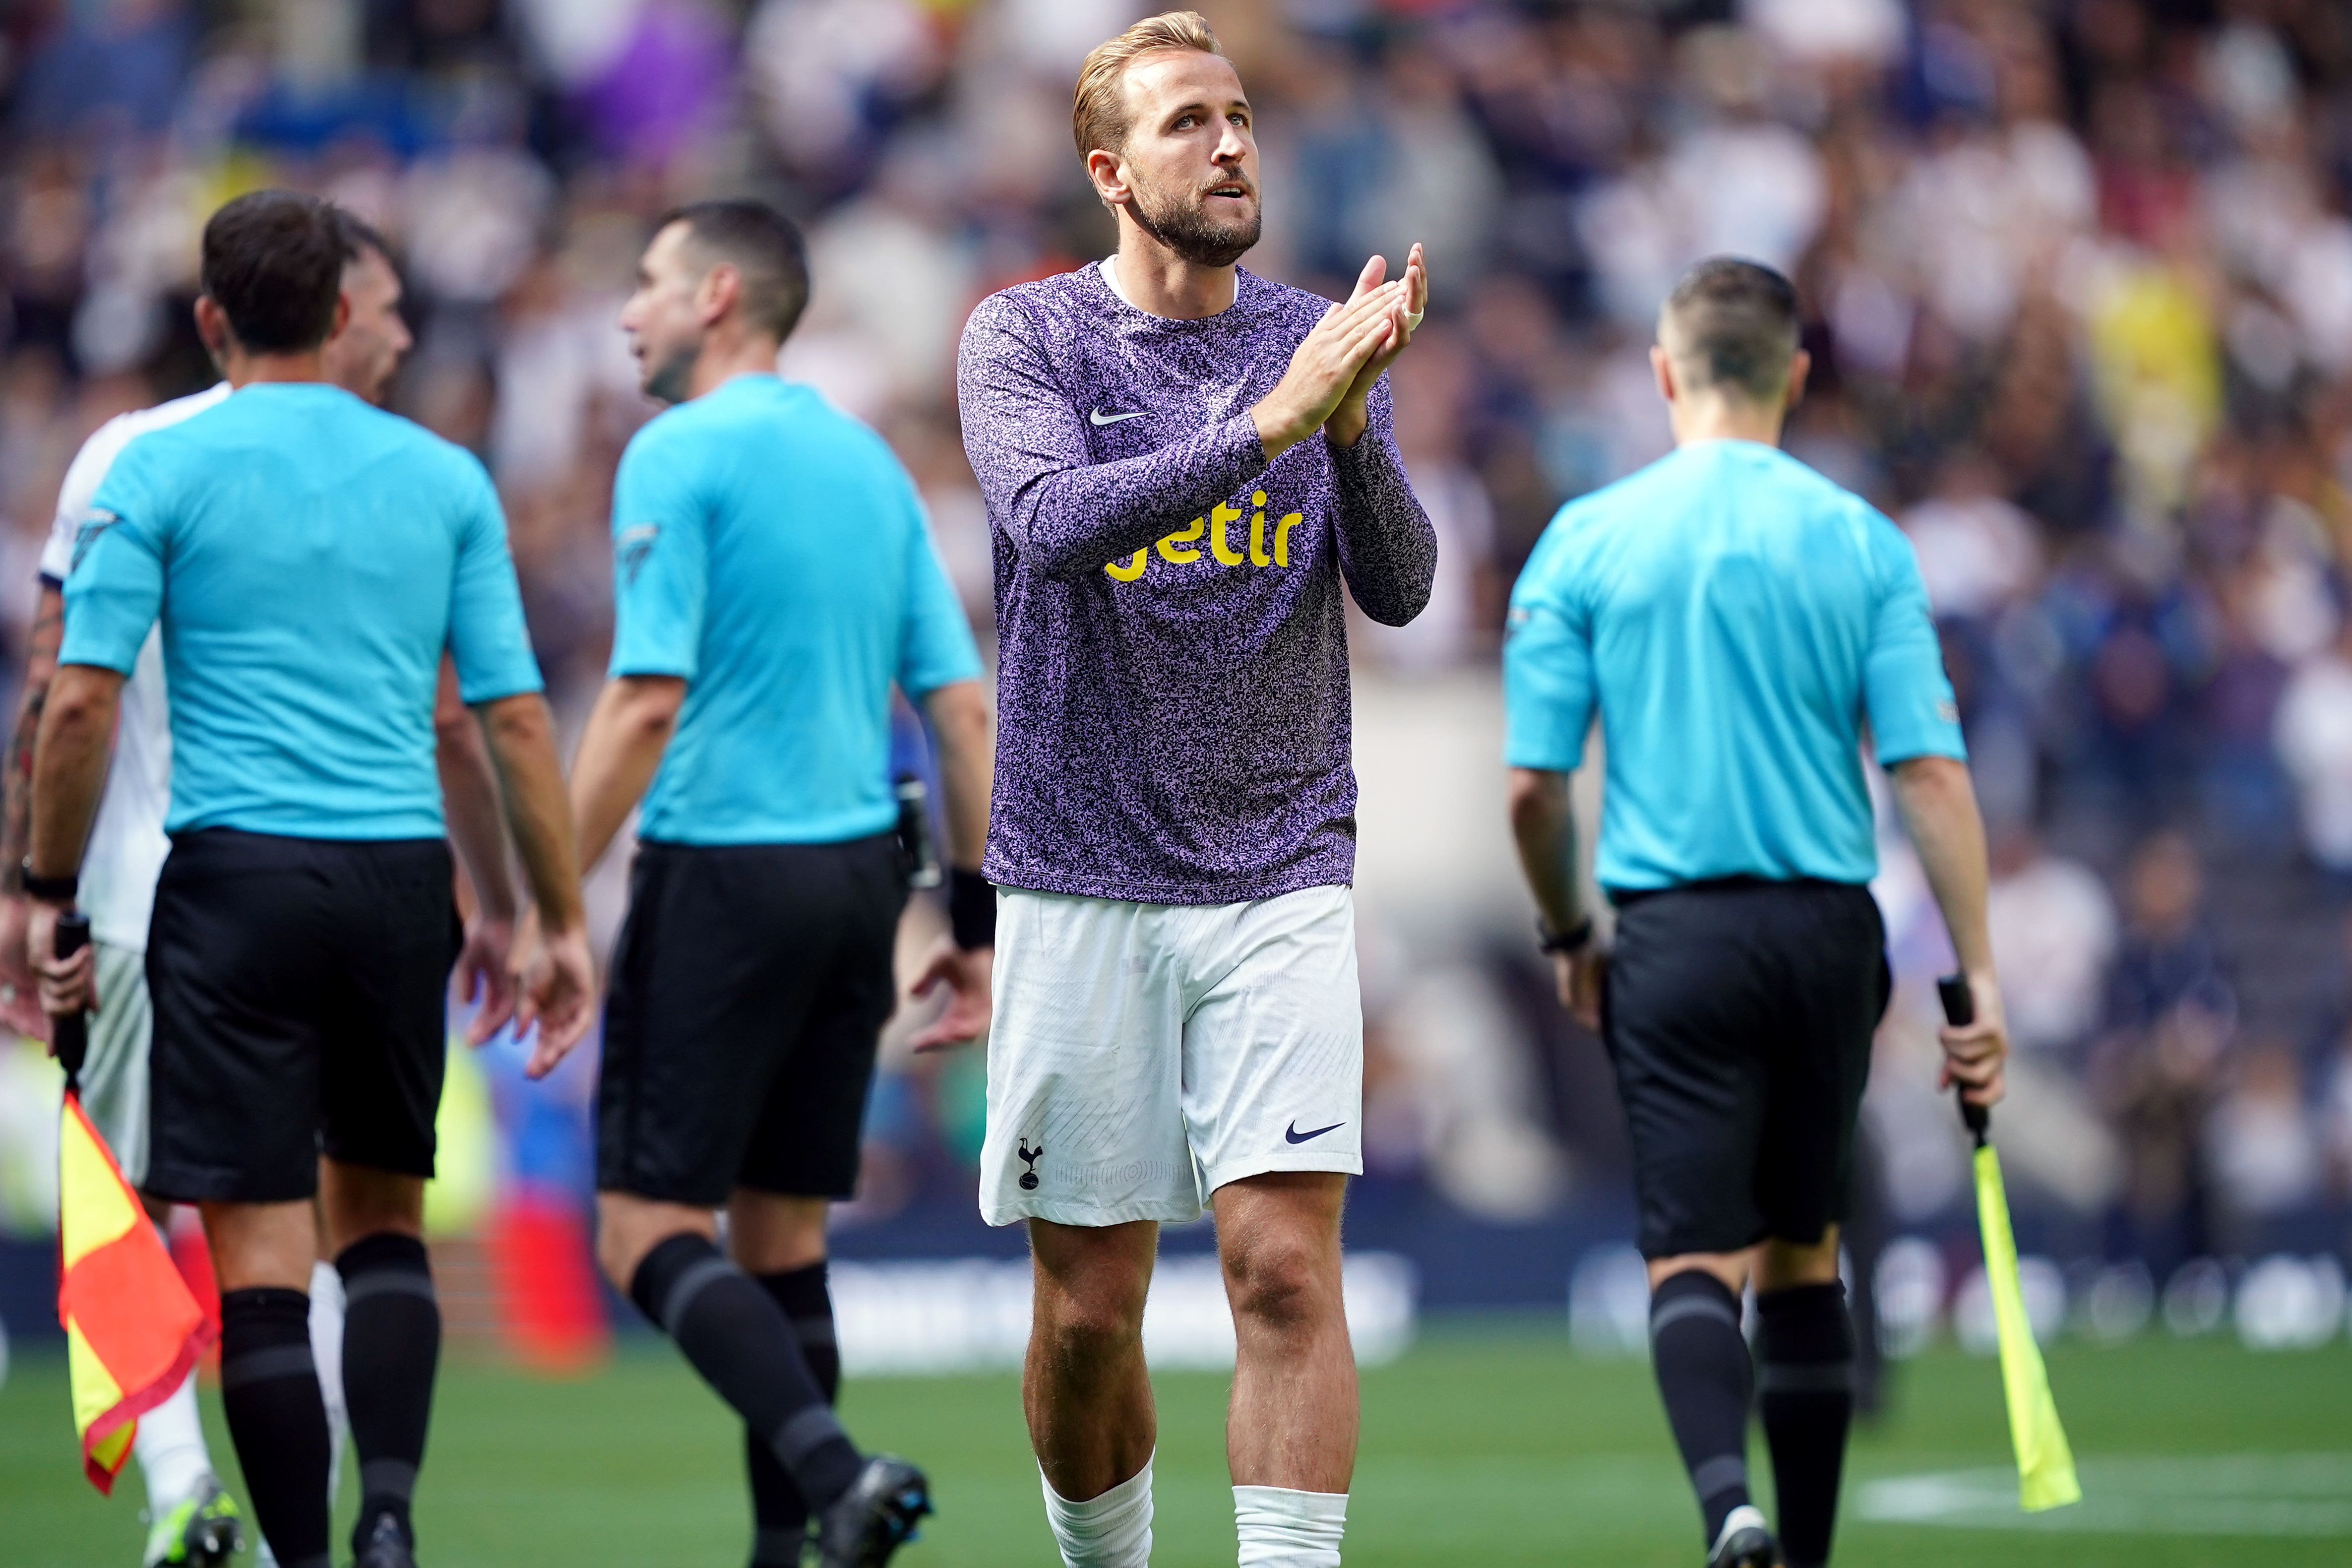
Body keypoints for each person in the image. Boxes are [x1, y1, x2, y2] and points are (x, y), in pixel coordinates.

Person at [26, 190, 595, 1568]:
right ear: (345, 314)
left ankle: (294, 1550)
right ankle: (389, 1513)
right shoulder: (445, 476)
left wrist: (44, 886)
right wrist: (538, 912)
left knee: (259, 1259)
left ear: (213, 322)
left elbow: (80, 701)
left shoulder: (149, 474)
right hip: (398, 877)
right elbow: (495, 719)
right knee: (385, 1227)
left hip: (227, 882)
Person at [954, 13, 1435, 1568]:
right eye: (1188, 125)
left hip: (1282, 864)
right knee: (1089, 1312)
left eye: (1240, 118)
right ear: (1109, 169)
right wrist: (1275, 420)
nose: (1232, 144)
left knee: (1284, 1273)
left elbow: (1406, 584)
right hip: (1079, 871)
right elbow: (1049, 525)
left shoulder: (1311, 335)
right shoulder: (1023, 338)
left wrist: (1349, 427)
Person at [1503, 256, 2009, 1568]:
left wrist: (1569, 936)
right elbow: (1933, 776)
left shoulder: (1586, 539)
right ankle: (1811, 1550)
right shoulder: (1862, 539)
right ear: (1794, 375)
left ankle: (1729, 1508)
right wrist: (1979, 975)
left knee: (1691, 1259)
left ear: (1664, 374)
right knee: (1805, 1256)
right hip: (1829, 934)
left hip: (1672, 937)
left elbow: (1533, 794)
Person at [572, 199, 992, 1568]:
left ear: (720, 297)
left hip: (726, 871)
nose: (628, 310)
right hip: (860, 882)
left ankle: (839, 1472)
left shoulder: (675, 454)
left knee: (645, 1227)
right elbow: (962, 710)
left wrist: (536, 893)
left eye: (648, 282)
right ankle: (791, 1552)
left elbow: (642, 704)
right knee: (783, 1240)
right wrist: (972, 924)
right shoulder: (873, 467)